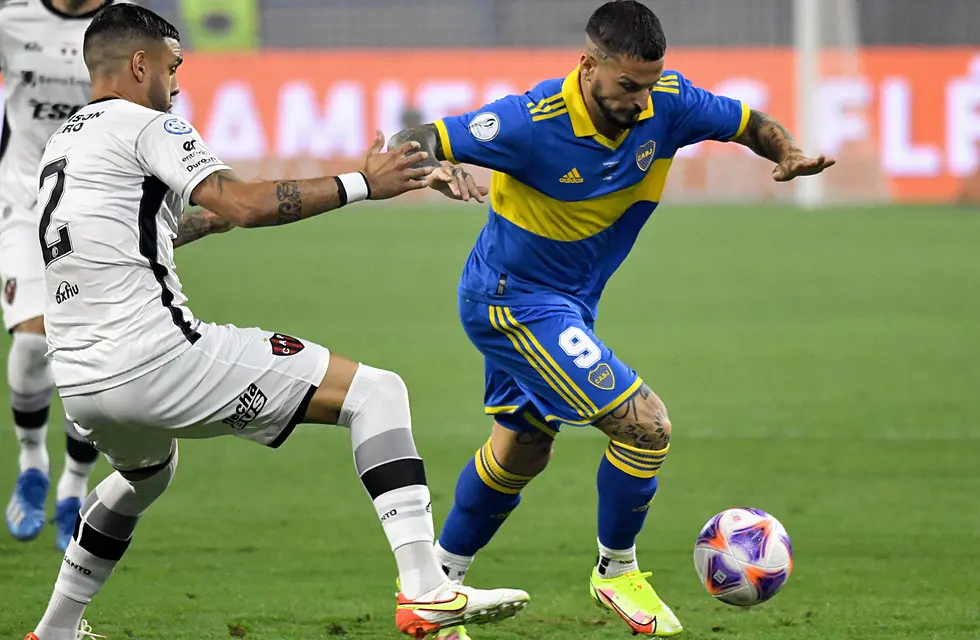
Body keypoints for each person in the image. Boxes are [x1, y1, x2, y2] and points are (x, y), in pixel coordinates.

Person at [25, 4, 529, 640]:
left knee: (143, 476)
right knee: (376, 393)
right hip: (153, 357)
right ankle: (426, 588)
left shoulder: (65, 141)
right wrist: (362, 183)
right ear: (139, 64)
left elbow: (149, 234)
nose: (177, 83)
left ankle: (56, 628)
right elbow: (246, 201)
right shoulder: (149, 124)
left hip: (80, 381)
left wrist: (219, 220)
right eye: (173, 67)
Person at [389, 1, 835, 637]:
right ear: (588, 66)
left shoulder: (667, 103)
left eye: (649, 84)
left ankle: (435, 590)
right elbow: (416, 138)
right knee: (646, 427)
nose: (640, 100)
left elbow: (748, 123)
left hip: (566, 304)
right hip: (511, 301)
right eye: (627, 84)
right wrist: (433, 166)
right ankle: (616, 571)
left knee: (523, 447)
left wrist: (784, 150)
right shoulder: (530, 121)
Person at [0, 0, 115, 552]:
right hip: (22, 203)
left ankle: (74, 485)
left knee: (86, 353)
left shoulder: (126, 25)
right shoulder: (11, 18)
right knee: (31, 341)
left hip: (97, 209)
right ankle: (32, 464)